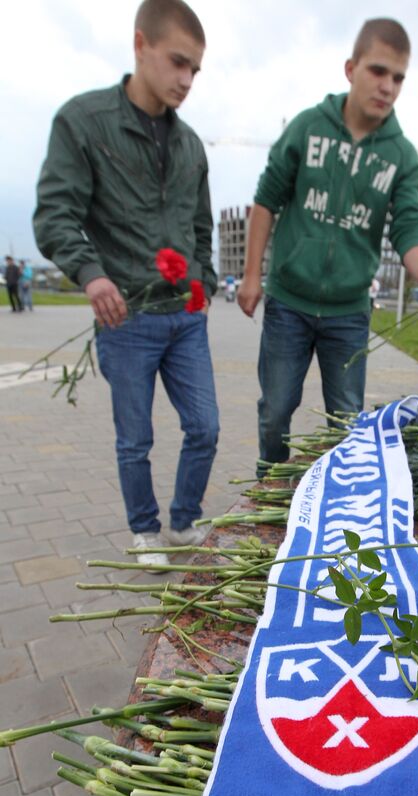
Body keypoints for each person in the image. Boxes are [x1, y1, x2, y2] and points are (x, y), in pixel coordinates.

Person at [33, 0, 219, 568]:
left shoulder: (190, 145)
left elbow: (202, 228)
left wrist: (204, 284)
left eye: (196, 70)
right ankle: (144, 530)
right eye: (177, 62)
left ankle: (183, 523)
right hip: (127, 319)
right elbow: (54, 214)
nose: (187, 80)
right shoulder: (83, 122)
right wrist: (91, 275)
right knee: (134, 439)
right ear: (141, 45)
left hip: (185, 318)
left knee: (206, 428)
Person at [237, 17, 418, 477]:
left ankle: (339, 504)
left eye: (398, 78)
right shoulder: (307, 127)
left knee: (347, 421)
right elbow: (266, 200)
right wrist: (253, 274)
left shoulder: (401, 156)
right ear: (350, 68)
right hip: (289, 302)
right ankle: (267, 485)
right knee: (275, 410)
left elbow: (409, 226)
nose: (388, 86)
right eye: (378, 71)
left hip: (349, 313)